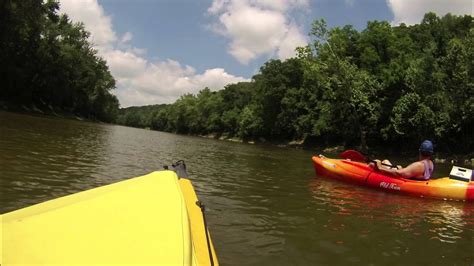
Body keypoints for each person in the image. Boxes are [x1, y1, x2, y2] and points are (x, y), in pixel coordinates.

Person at [370, 140, 434, 180]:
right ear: (431, 153)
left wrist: (380, 168)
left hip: (401, 179)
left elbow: (399, 174)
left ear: (419, 151)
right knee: (385, 161)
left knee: (373, 164)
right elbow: (413, 173)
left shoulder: (419, 165)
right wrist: (401, 169)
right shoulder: (430, 163)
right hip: (409, 177)